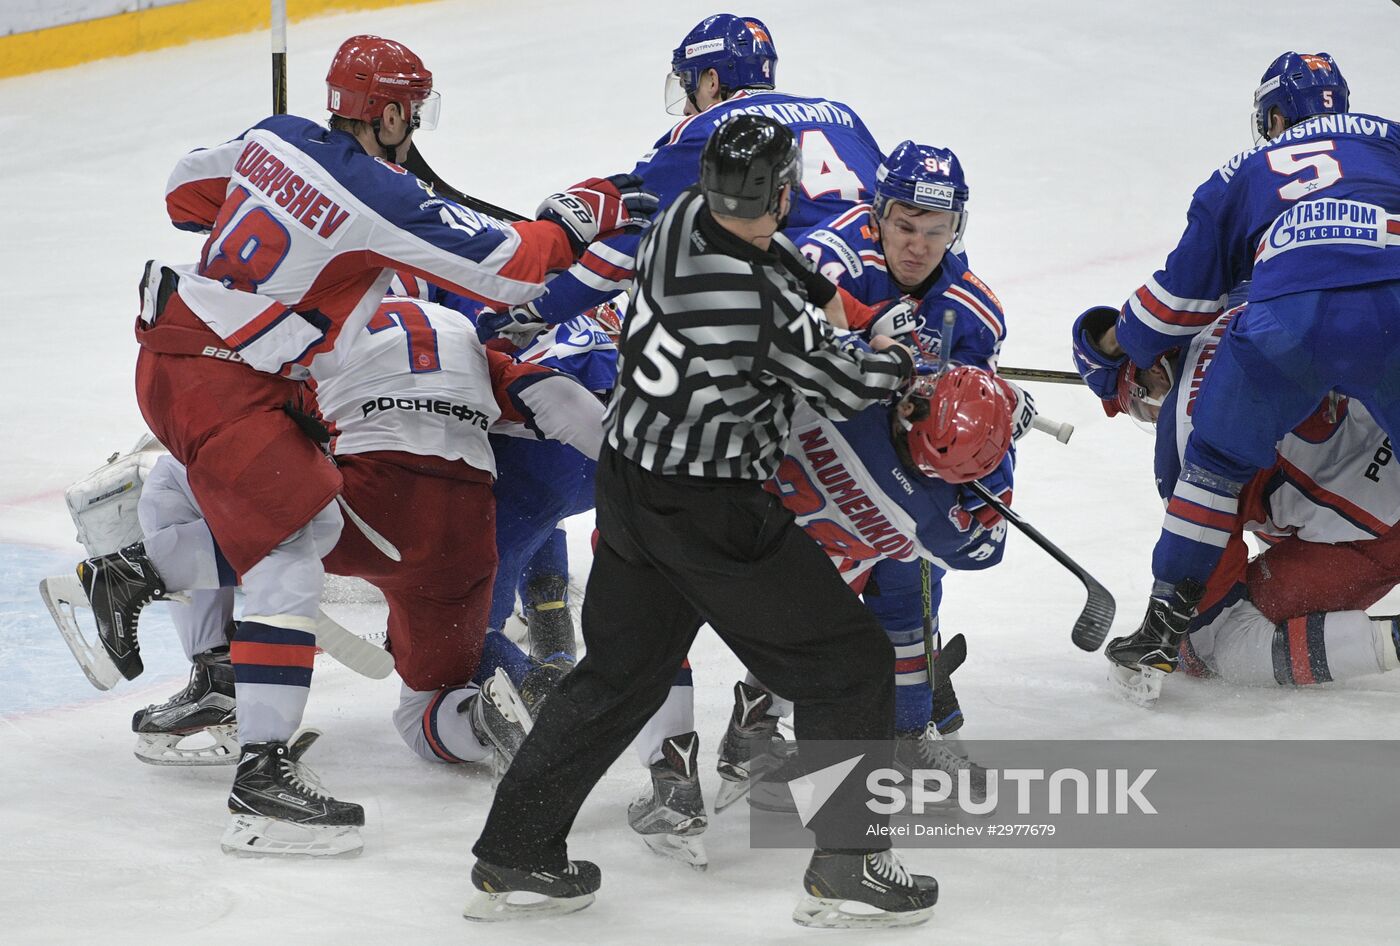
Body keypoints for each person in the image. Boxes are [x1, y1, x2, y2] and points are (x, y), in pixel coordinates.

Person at [71, 34, 654, 856]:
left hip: (205, 361)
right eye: (411, 115)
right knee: (299, 552)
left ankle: (206, 658)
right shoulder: (406, 238)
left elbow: (183, 195)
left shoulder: (277, 137)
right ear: (388, 112)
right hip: (451, 520)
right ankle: (270, 748)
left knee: (202, 500)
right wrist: (585, 209)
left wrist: (278, 209)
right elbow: (522, 273)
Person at [467, 115, 938, 929]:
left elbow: (778, 261)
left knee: (619, 674)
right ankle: (850, 869)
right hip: (712, 511)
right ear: (783, 192)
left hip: (629, 484)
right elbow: (844, 386)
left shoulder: (684, 216)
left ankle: (516, 849)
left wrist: (844, 304)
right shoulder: (752, 307)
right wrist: (896, 352)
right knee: (850, 662)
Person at [1071, 51, 1400, 683]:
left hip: (1289, 320)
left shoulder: (1241, 174)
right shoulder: (1388, 139)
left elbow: (1170, 306)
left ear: (1273, 116)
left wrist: (1118, 344)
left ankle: (1159, 630)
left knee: (1217, 635)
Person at [631, 364, 1015, 867]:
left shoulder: (845, 400)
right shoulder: (935, 525)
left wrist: (904, 365)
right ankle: (753, 733)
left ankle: (673, 779)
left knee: (649, 635)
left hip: (713, 523)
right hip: (783, 587)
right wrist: (1004, 446)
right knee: (824, 622)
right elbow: (986, 548)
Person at [476, 12, 885, 344]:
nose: (689, 103)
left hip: (803, 301)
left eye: (689, 83)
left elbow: (627, 241)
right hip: (886, 279)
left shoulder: (712, 130)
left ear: (711, 80)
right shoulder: (842, 114)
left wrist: (538, 309)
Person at [1075, 302, 1400, 701]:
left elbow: (1206, 591)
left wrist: (1164, 636)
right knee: (1273, 511)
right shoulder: (1233, 308)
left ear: (1155, 372)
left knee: (1216, 648)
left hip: (1383, 527)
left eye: (1139, 405)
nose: (1150, 417)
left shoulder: (1181, 444)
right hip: (1389, 423)